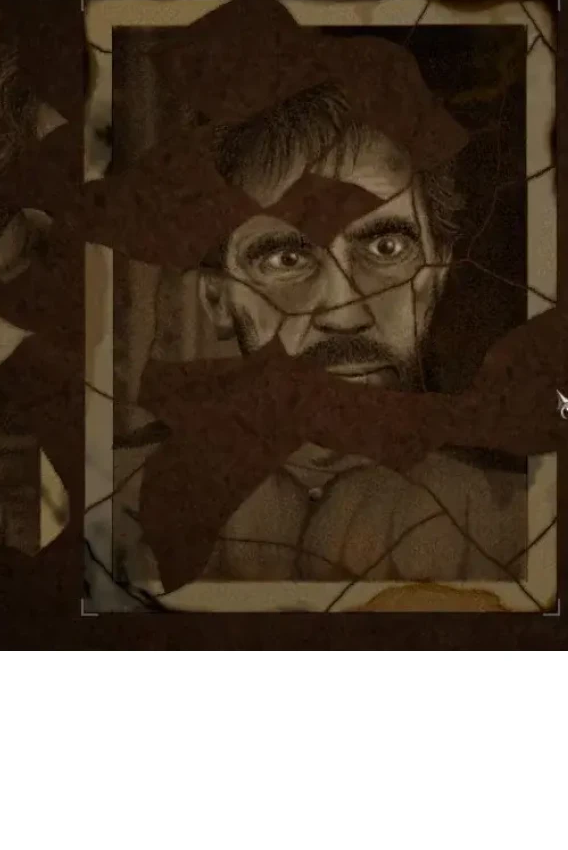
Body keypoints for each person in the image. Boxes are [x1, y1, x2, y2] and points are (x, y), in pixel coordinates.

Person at [194, 81, 528, 583]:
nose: (345, 314)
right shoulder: (112, 516)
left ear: (437, 276)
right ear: (218, 299)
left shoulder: (529, 528)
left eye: (386, 249)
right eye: (287, 259)